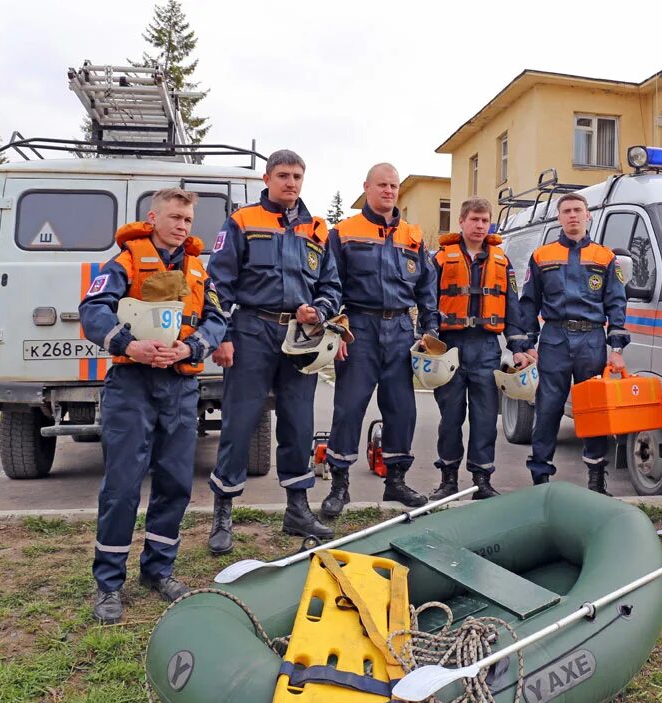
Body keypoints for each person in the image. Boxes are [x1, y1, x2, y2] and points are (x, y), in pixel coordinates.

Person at [79, 188, 226, 624]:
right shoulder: (124, 262)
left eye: (187, 219)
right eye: (174, 217)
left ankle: (159, 569)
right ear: (153, 217)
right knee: (122, 486)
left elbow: (218, 320)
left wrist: (191, 348)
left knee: (176, 482)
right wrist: (130, 345)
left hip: (179, 388)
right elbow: (93, 310)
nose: (182, 225)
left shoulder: (199, 270)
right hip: (132, 384)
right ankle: (109, 584)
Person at [205, 149, 340, 554]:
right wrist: (222, 335)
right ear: (267, 178)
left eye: (298, 176)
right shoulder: (243, 221)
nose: (291, 182)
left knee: (298, 425)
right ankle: (223, 513)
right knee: (239, 423)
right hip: (250, 331)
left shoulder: (318, 230)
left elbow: (332, 286)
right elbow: (218, 283)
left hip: (300, 338)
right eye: (283, 175)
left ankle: (297, 509)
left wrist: (319, 309)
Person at [321, 163, 439, 517]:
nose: (389, 191)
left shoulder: (412, 236)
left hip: (401, 330)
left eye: (394, 185)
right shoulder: (343, 233)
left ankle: (396, 481)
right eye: (382, 185)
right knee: (349, 407)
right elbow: (330, 285)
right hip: (360, 328)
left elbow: (426, 289)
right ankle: (339, 486)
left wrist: (429, 331)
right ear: (366, 188)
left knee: (402, 409)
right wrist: (336, 327)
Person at [520, 192, 630, 495]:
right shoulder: (542, 256)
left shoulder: (605, 257)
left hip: (592, 339)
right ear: (559, 217)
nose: (572, 216)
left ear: (588, 215)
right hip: (554, 338)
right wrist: (529, 344)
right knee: (548, 408)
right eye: (566, 211)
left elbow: (617, 303)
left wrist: (617, 349)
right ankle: (539, 480)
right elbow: (529, 302)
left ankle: (596, 481)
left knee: (593, 410)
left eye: (577, 210)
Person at [428, 197, 535, 501]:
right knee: (450, 417)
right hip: (450, 347)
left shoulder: (502, 262)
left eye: (484, 220)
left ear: (490, 224)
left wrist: (518, 347)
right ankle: (447, 480)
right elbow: (427, 301)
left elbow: (512, 306)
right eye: (473, 219)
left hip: (487, 347)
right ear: (461, 222)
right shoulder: (439, 259)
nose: (478, 225)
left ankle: (481, 480)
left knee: (486, 417)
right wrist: (427, 337)